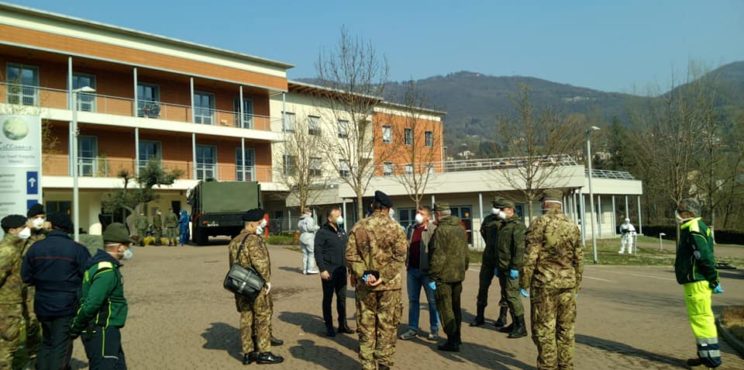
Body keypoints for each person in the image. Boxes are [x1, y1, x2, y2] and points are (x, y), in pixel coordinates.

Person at [520, 190, 582, 370]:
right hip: (568, 284)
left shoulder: (539, 223)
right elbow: (579, 257)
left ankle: (548, 367)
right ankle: (566, 366)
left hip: (544, 285)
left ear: (545, 203)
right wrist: (577, 283)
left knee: (544, 331)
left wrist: (524, 283)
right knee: (566, 330)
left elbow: (530, 257)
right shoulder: (572, 225)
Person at [346, 190, 407, 370]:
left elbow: (350, 256)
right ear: (388, 208)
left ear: (373, 206)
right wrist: (383, 278)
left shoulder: (359, 227)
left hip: (366, 286)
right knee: (387, 326)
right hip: (390, 287)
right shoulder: (397, 229)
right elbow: (400, 257)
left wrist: (367, 276)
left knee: (366, 326)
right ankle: (384, 365)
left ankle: (367, 365)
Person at [21, 213, 90, 370]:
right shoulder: (77, 249)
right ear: (68, 230)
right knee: (61, 344)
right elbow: (88, 276)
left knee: (47, 341)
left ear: (51, 227)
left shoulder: (35, 248)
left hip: (42, 302)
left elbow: (26, 277)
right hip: (67, 304)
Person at [69, 223, 133, 369]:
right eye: (127, 246)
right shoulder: (106, 270)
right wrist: (75, 327)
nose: (129, 250)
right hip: (101, 330)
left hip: (106, 329)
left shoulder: (100, 265)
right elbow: (92, 303)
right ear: (120, 247)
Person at [228, 208, 283, 365]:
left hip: (240, 285)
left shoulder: (235, 240)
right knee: (262, 317)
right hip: (255, 285)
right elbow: (260, 263)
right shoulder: (253, 240)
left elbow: (232, 264)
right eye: (259, 223)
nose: (262, 224)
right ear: (251, 224)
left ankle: (248, 353)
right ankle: (264, 352)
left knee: (246, 317)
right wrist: (266, 281)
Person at [674, 198, 723, 368]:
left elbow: (705, 257)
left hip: (697, 282)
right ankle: (704, 355)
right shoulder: (695, 227)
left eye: (680, 210)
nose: (678, 213)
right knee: (699, 319)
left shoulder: (693, 229)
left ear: (689, 213)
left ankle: (711, 360)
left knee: (701, 319)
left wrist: (714, 278)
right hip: (696, 282)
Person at [428, 203, 469, 352]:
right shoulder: (460, 228)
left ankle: (452, 341)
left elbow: (438, 256)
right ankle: (457, 337)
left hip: (443, 277)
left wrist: (433, 276)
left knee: (446, 309)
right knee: (456, 308)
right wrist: (463, 268)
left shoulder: (441, 231)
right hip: (458, 275)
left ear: (438, 214)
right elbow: (465, 252)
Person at [399, 206, 440, 341]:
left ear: (428, 217)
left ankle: (434, 329)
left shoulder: (433, 230)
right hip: (412, 271)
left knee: (433, 302)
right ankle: (412, 328)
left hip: (428, 273)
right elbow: (406, 245)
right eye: (417, 213)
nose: (418, 215)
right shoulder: (411, 228)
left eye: (421, 214)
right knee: (413, 301)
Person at [314, 207, 353, 337]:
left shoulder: (342, 231)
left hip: (341, 270)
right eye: (337, 215)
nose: (340, 217)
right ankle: (329, 326)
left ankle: (343, 324)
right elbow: (318, 252)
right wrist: (322, 269)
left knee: (342, 299)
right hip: (329, 271)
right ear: (330, 218)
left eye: (340, 215)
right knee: (328, 299)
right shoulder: (322, 232)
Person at [0, 215, 30, 369]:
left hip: (11, 302)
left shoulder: (14, 246)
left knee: (11, 343)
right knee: (7, 345)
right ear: (12, 230)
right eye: (23, 227)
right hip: (7, 305)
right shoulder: (7, 250)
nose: (27, 229)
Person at [494, 199, 527, 338]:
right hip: (503, 266)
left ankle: (521, 327)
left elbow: (519, 249)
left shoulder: (517, 226)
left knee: (513, 296)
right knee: (507, 296)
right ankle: (514, 323)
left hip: (511, 267)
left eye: (501, 209)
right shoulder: (504, 225)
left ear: (510, 210)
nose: (499, 212)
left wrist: (515, 267)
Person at [472, 197, 505, 327]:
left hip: (503, 259)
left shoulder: (508, 221)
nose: (495, 208)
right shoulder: (488, 219)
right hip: (488, 259)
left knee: (505, 290)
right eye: (494, 206)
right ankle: (480, 316)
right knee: (483, 287)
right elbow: (483, 233)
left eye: (498, 206)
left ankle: (502, 316)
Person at [23, 204, 48, 366]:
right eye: (36, 217)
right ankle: (31, 358)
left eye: (42, 217)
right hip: (29, 290)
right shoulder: (24, 237)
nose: (40, 220)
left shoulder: (48, 236)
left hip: (46, 289)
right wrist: (26, 231)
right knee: (31, 324)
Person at [298, 209, 320, 275]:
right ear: (307, 212)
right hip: (309, 237)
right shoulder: (309, 219)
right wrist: (317, 227)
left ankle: (304, 270)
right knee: (311, 253)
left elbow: (299, 228)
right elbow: (310, 228)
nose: (311, 213)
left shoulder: (300, 220)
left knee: (305, 255)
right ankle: (310, 269)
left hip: (302, 236)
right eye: (310, 212)